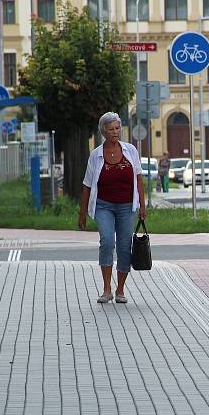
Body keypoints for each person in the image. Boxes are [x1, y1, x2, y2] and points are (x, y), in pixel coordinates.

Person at [79, 112, 146, 304]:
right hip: (103, 206)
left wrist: (142, 205)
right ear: (103, 132)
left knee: (125, 247)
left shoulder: (130, 151)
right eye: (111, 129)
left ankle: (120, 289)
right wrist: (82, 213)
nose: (115, 132)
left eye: (117, 128)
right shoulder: (96, 155)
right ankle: (107, 288)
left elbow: (139, 179)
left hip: (127, 207)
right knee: (107, 241)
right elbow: (87, 185)